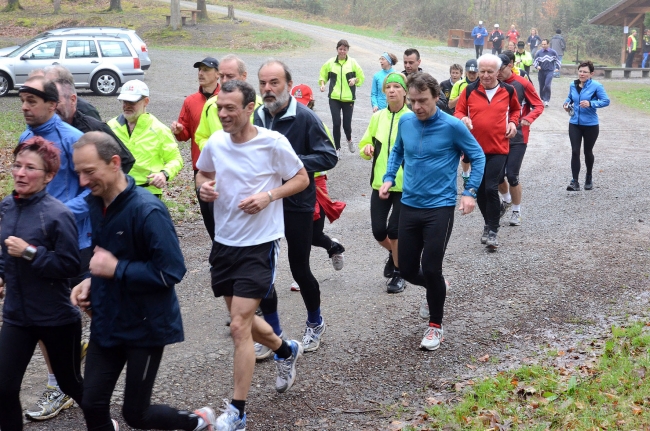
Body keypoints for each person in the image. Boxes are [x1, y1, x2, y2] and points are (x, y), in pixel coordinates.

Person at [69, 131, 215, 431]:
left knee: (136, 414)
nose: (83, 182)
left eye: (89, 172)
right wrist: (89, 280)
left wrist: (116, 269)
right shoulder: (97, 202)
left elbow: (172, 271)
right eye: (78, 173)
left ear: (114, 163)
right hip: (108, 319)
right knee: (92, 403)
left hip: (146, 326)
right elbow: (102, 259)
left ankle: (198, 422)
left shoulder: (147, 210)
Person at [195, 80, 310, 430]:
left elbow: (302, 178)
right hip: (224, 242)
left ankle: (237, 412)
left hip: (261, 244)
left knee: (239, 325)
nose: (224, 113)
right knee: (238, 318)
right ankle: (286, 350)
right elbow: (203, 172)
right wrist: (204, 186)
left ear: (249, 108)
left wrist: (269, 196)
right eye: (219, 107)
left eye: (231, 108)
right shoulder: (215, 142)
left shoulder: (273, 143)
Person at [379, 72, 485, 350]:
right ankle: (438, 286)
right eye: (413, 101)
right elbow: (397, 151)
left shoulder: (452, 127)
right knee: (407, 269)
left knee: (431, 267)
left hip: (439, 207)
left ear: (437, 98)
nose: (417, 107)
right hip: (410, 205)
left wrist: (469, 191)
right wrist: (389, 177)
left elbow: (478, 156)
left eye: (423, 101)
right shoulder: (405, 122)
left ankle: (435, 326)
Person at [254, 60, 338, 357]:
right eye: (263, 83)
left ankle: (315, 322)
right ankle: (272, 333)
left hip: (298, 204)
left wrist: (293, 165)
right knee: (263, 271)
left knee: (299, 268)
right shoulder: (258, 116)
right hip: (266, 204)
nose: (267, 88)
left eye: (274, 82)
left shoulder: (305, 117)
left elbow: (329, 156)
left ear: (288, 84)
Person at [0, 137, 83, 431]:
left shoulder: (58, 215)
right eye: (17, 165)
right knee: (5, 389)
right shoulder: (7, 206)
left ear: (49, 176)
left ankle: (101, 423)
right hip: (17, 317)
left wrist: (30, 252)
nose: (20, 173)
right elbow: (3, 251)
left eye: (30, 168)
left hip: (55, 317)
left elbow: (71, 266)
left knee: (72, 384)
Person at [454, 54, 521, 250]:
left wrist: (512, 122)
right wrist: (463, 119)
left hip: (499, 148)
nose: (484, 75)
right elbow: (458, 111)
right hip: (475, 150)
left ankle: (493, 230)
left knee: (491, 187)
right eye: (481, 71)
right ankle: (488, 223)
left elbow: (516, 111)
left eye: (489, 72)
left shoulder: (508, 91)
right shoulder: (469, 90)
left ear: (498, 72)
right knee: (481, 190)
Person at [287, 84, 347, 293]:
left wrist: (300, 163)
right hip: (288, 183)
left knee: (311, 232)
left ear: (311, 103)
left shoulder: (315, 122)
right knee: (296, 232)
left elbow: (328, 156)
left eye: (305, 103)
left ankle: (324, 253)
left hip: (315, 183)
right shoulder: (284, 123)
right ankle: (327, 251)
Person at [359, 72, 411, 293]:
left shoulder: (411, 117)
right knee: (379, 231)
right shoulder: (377, 117)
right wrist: (366, 149)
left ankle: (400, 273)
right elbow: (365, 143)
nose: (391, 90)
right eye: (388, 87)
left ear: (405, 91)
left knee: (394, 231)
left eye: (396, 87)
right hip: (379, 183)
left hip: (405, 185)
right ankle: (395, 254)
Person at [170, 57, 221, 240]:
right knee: (207, 213)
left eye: (206, 70)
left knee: (224, 213)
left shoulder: (227, 98)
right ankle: (218, 250)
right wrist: (178, 131)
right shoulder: (190, 101)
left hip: (225, 166)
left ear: (218, 74)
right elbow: (185, 135)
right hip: (201, 168)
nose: (201, 73)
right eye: (199, 70)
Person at [107, 79, 183, 197]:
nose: (126, 106)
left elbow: (176, 159)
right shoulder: (111, 127)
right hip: (116, 192)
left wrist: (164, 174)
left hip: (147, 193)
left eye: (132, 102)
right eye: (124, 101)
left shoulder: (159, 129)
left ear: (146, 101)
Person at [496, 52, 544, 226]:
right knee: (498, 175)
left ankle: (516, 211)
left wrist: (528, 118)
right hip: (497, 136)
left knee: (512, 175)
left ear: (509, 65)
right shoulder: (494, 83)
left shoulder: (522, 83)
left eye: (500, 69)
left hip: (518, 135)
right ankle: (507, 199)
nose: (497, 73)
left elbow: (538, 105)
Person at [52, 75, 135, 174]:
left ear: (73, 100)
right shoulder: (46, 129)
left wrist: (106, 185)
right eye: (49, 102)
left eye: (56, 101)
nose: (52, 107)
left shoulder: (94, 128)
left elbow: (126, 159)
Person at [194, 54, 263, 151]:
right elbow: (201, 137)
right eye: (222, 76)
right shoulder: (210, 105)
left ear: (244, 76)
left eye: (230, 76)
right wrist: (215, 151)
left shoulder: (260, 105)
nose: (225, 80)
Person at [563, 61, 610, 191]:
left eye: (585, 72)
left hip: (591, 125)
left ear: (591, 74)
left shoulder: (596, 86)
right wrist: (566, 105)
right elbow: (569, 99)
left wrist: (591, 103)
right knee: (575, 151)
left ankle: (588, 177)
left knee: (587, 152)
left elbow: (606, 101)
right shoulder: (573, 85)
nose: (582, 74)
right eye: (580, 71)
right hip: (574, 124)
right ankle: (575, 181)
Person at [319, 39, 365, 155]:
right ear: (337, 49)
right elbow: (323, 75)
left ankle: (349, 140)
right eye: (340, 49)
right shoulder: (330, 63)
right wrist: (323, 84)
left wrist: (355, 80)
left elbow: (361, 77)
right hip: (334, 98)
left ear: (347, 50)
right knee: (336, 123)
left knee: (346, 125)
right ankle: (337, 149)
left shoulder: (353, 63)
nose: (342, 51)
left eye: (345, 49)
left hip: (348, 99)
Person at [449, 59, 479, 182]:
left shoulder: (482, 84)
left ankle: (475, 176)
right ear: (465, 72)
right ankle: (466, 174)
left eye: (474, 72)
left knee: (476, 152)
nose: (472, 75)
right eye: (469, 72)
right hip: (462, 122)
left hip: (477, 122)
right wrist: (462, 95)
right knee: (465, 154)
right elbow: (450, 104)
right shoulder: (459, 84)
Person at [533, 39, 561, 107]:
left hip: (549, 71)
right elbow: (535, 61)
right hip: (541, 71)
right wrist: (537, 66)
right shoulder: (539, 53)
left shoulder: (553, 52)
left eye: (545, 44)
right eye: (542, 44)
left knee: (547, 85)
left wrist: (557, 68)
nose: (543, 46)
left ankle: (546, 100)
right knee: (541, 85)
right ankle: (542, 98)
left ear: (548, 44)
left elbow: (557, 60)